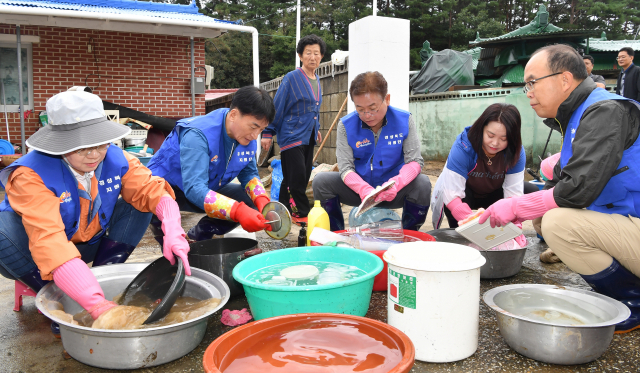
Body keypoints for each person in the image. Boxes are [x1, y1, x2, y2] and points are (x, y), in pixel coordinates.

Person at [479, 44, 640, 333]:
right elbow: (562, 182)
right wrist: (524, 212)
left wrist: (516, 206)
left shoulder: (604, 110)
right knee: (545, 217)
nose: (527, 91)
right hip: (627, 221)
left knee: (557, 223)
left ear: (564, 80)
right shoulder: (580, 114)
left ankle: (633, 300)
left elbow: (576, 190)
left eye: (532, 82)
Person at [0, 91, 189, 334]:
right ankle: (59, 299)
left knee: (139, 204)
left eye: (100, 143)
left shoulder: (116, 157)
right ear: (60, 143)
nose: (94, 154)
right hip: (33, 254)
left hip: (88, 242)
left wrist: (173, 227)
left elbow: (153, 190)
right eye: (81, 148)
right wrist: (94, 304)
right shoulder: (30, 174)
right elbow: (49, 240)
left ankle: (103, 278)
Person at [148, 86, 274, 241]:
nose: (255, 136)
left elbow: (248, 173)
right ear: (234, 114)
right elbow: (194, 188)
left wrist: (262, 200)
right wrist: (237, 211)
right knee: (175, 250)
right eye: (253, 127)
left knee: (248, 200)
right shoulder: (198, 135)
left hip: (205, 187)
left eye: (261, 129)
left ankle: (199, 236)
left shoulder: (245, 136)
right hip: (165, 190)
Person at [312, 71, 431, 231]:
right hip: (360, 190)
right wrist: (364, 190)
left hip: (393, 190)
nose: (367, 115)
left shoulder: (404, 120)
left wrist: (395, 184)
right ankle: (337, 234)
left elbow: (415, 161)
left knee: (423, 184)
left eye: (373, 108)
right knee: (321, 181)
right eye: (360, 109)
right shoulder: (345, 125)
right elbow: (345, 168)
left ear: (386, 99)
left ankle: (409, 234)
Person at [431, 103, 537, 231]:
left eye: (504, 139)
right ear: (481, 128)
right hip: (466, 194)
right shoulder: (463, 147)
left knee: (531, 190)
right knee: (452, 203)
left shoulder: (516, 152)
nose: (495, 143)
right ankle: (459, 234)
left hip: (495, 194)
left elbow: (513, 194)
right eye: (490, 136)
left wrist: (513, 226)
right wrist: (471, 221)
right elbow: (452, 195)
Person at [261, 34, 325, 225]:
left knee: (300, 175)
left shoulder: (317, 78)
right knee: (297, 176)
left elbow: (314, 108)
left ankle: (282, 210)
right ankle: (302, 212)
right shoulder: (291, 78)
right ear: (300, 55)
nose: (312, 57)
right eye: (308, 53)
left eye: (316, 53)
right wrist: (267, 132)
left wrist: (317, 128)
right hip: (291, 135)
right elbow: (277, 105)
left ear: (321, 56)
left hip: (308, 135)